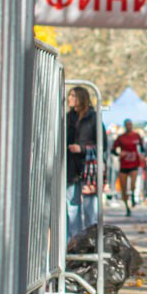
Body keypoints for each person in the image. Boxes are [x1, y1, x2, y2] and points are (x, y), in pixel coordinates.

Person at [65, 86, 102, 235]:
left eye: (73, 96)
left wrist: (82, 148)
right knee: (72, 209)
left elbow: (102, 144)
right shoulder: (67, 118)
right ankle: (74, 244)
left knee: (90, 211)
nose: (69, 99)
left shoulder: (93, 117)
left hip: (88, 170)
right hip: (70, 169)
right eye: (69, 96)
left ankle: (90, 244)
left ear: (81, 98)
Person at [112, 119, 145, 217]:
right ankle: (127, 207)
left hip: (134, 164)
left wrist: (141, 155)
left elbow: (142, 148)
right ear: (125, 126)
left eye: (130, 124)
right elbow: (113, 150)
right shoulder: (121, 137)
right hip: (123, 164)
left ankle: (134, 196)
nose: (128, 126)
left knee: (133, 184)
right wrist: (119, 154)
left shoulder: (136, 136)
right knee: (123, 187)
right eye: (127, 125)